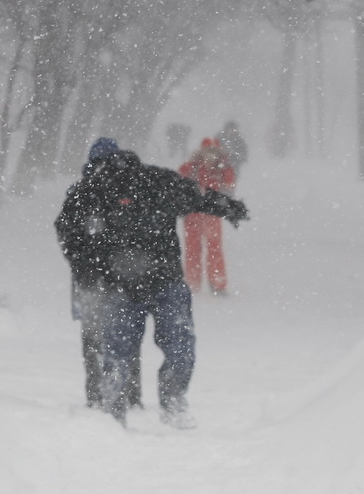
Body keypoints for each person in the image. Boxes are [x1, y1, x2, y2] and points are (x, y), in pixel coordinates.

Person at [54, 141, 248, 429]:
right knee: (175, 346)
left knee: (118, 352)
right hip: (160, 281)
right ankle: (166, 404)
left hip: (130, 285)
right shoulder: (155, 181)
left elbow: (67, 230)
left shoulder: (94, 189)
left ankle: (117, 410)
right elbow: (197, 196)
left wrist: (88, 266)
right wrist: (228, 207)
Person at [55, 138, 143, 410]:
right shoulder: (128, 190)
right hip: (121, 277)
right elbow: (142, 231)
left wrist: (80, 261)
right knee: (125, 336)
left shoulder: (80, 191)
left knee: (93, 338)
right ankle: (130, 394)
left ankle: (97, 395)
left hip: (90, 279)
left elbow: (65, 231)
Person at [179, 138, 236, 295]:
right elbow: (178, 185)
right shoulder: (190, 168)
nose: (210, 156)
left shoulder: (224, 169)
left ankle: (217, 284)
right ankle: (192, 284)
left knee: (214, 249)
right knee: (192, 250)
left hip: (212, 215)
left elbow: (229, 190)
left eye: (213, 152)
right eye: (207, 152)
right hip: (192, 215)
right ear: (201, 152)